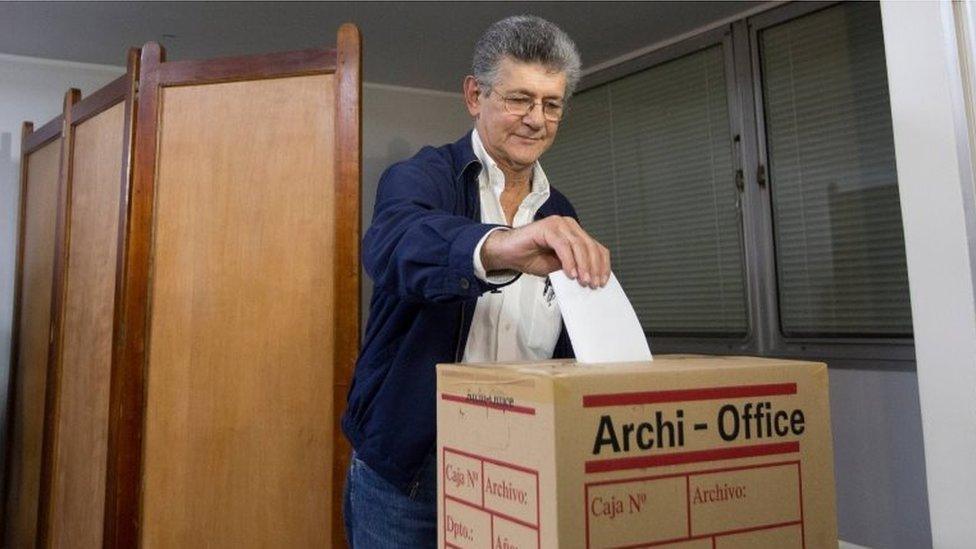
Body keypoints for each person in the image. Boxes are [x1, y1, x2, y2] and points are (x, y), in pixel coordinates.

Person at [341, 15, 611, 547]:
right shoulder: (422, 177)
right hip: (407, 479)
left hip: (518, 472)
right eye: (519, 99)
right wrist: (503, 245)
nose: (536, 119)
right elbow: (396, 246)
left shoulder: (560, 211)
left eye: (552, 104)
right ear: (474, 95)